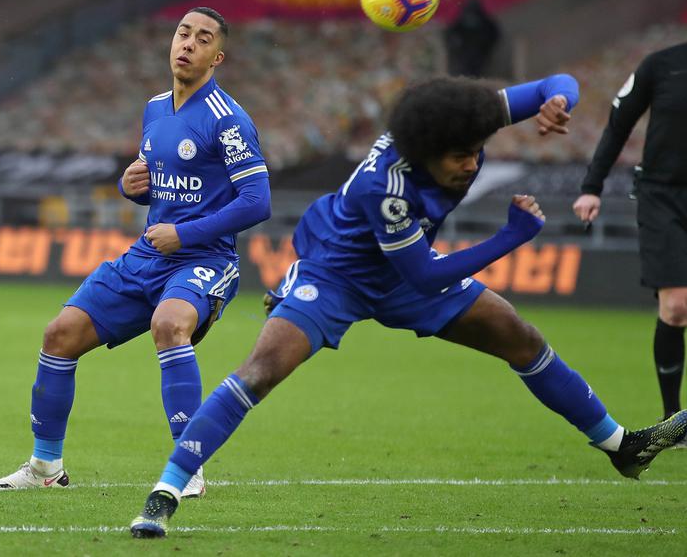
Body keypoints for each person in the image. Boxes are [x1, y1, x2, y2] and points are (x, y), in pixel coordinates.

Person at [129, 75, 687, 538]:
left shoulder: (463, 118)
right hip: (338, 271)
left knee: (520, 335)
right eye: (458, 158)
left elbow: (556, 82)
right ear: (422, 154)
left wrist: (558, 102)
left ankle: (622, 446)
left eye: (475, 151)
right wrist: (512, 235)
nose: (471, 165)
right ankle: (166, 491)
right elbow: (424, 274)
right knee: (262, 370)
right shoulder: (386, 184)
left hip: (404, 263)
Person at [0, 7, 271, 498]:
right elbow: (154, 182)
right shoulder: (156, 109)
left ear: (216, 57)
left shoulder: (228, 120)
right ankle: (44, 467)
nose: (188, 44)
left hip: (204, 260)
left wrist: (186, 235)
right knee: (60, 335)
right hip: (147, 257)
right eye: (183, 33)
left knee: (169, 324)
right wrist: (130, 186)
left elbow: (257, 201)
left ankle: (188, 465)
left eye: (203, 39)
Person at [573, 45, 687, 422]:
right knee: (676, 306)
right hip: (662, 196)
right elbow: (619, 125)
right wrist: (592, 186)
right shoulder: (661, 65)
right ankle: (673, 419)